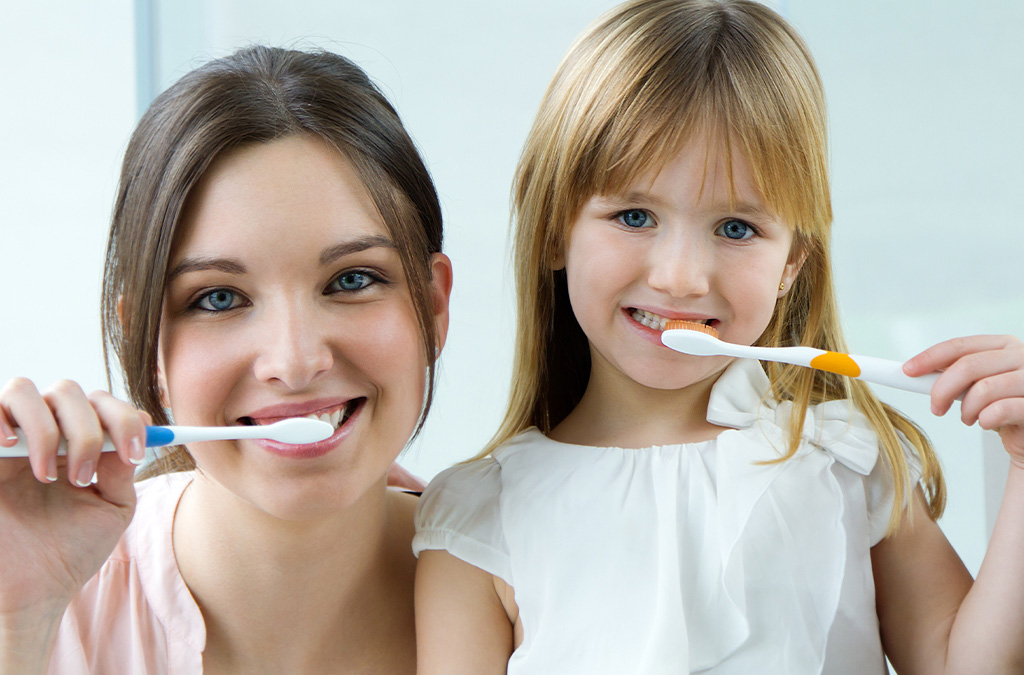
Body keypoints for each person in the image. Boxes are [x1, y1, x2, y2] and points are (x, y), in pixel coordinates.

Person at [412, 1, 1024, 672]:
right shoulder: (478, 516)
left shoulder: (845, 459)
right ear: (556, 225)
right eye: (635, 215)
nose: (680, 278)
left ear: (793, 261)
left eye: (735, 228)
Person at [0, 45, 452, 673]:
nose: (294, 363)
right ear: (147, 343)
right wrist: (15, 622)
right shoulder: (50, 600)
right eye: (218, 298)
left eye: (351, 280)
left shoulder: (532, 589)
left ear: (433, 307)